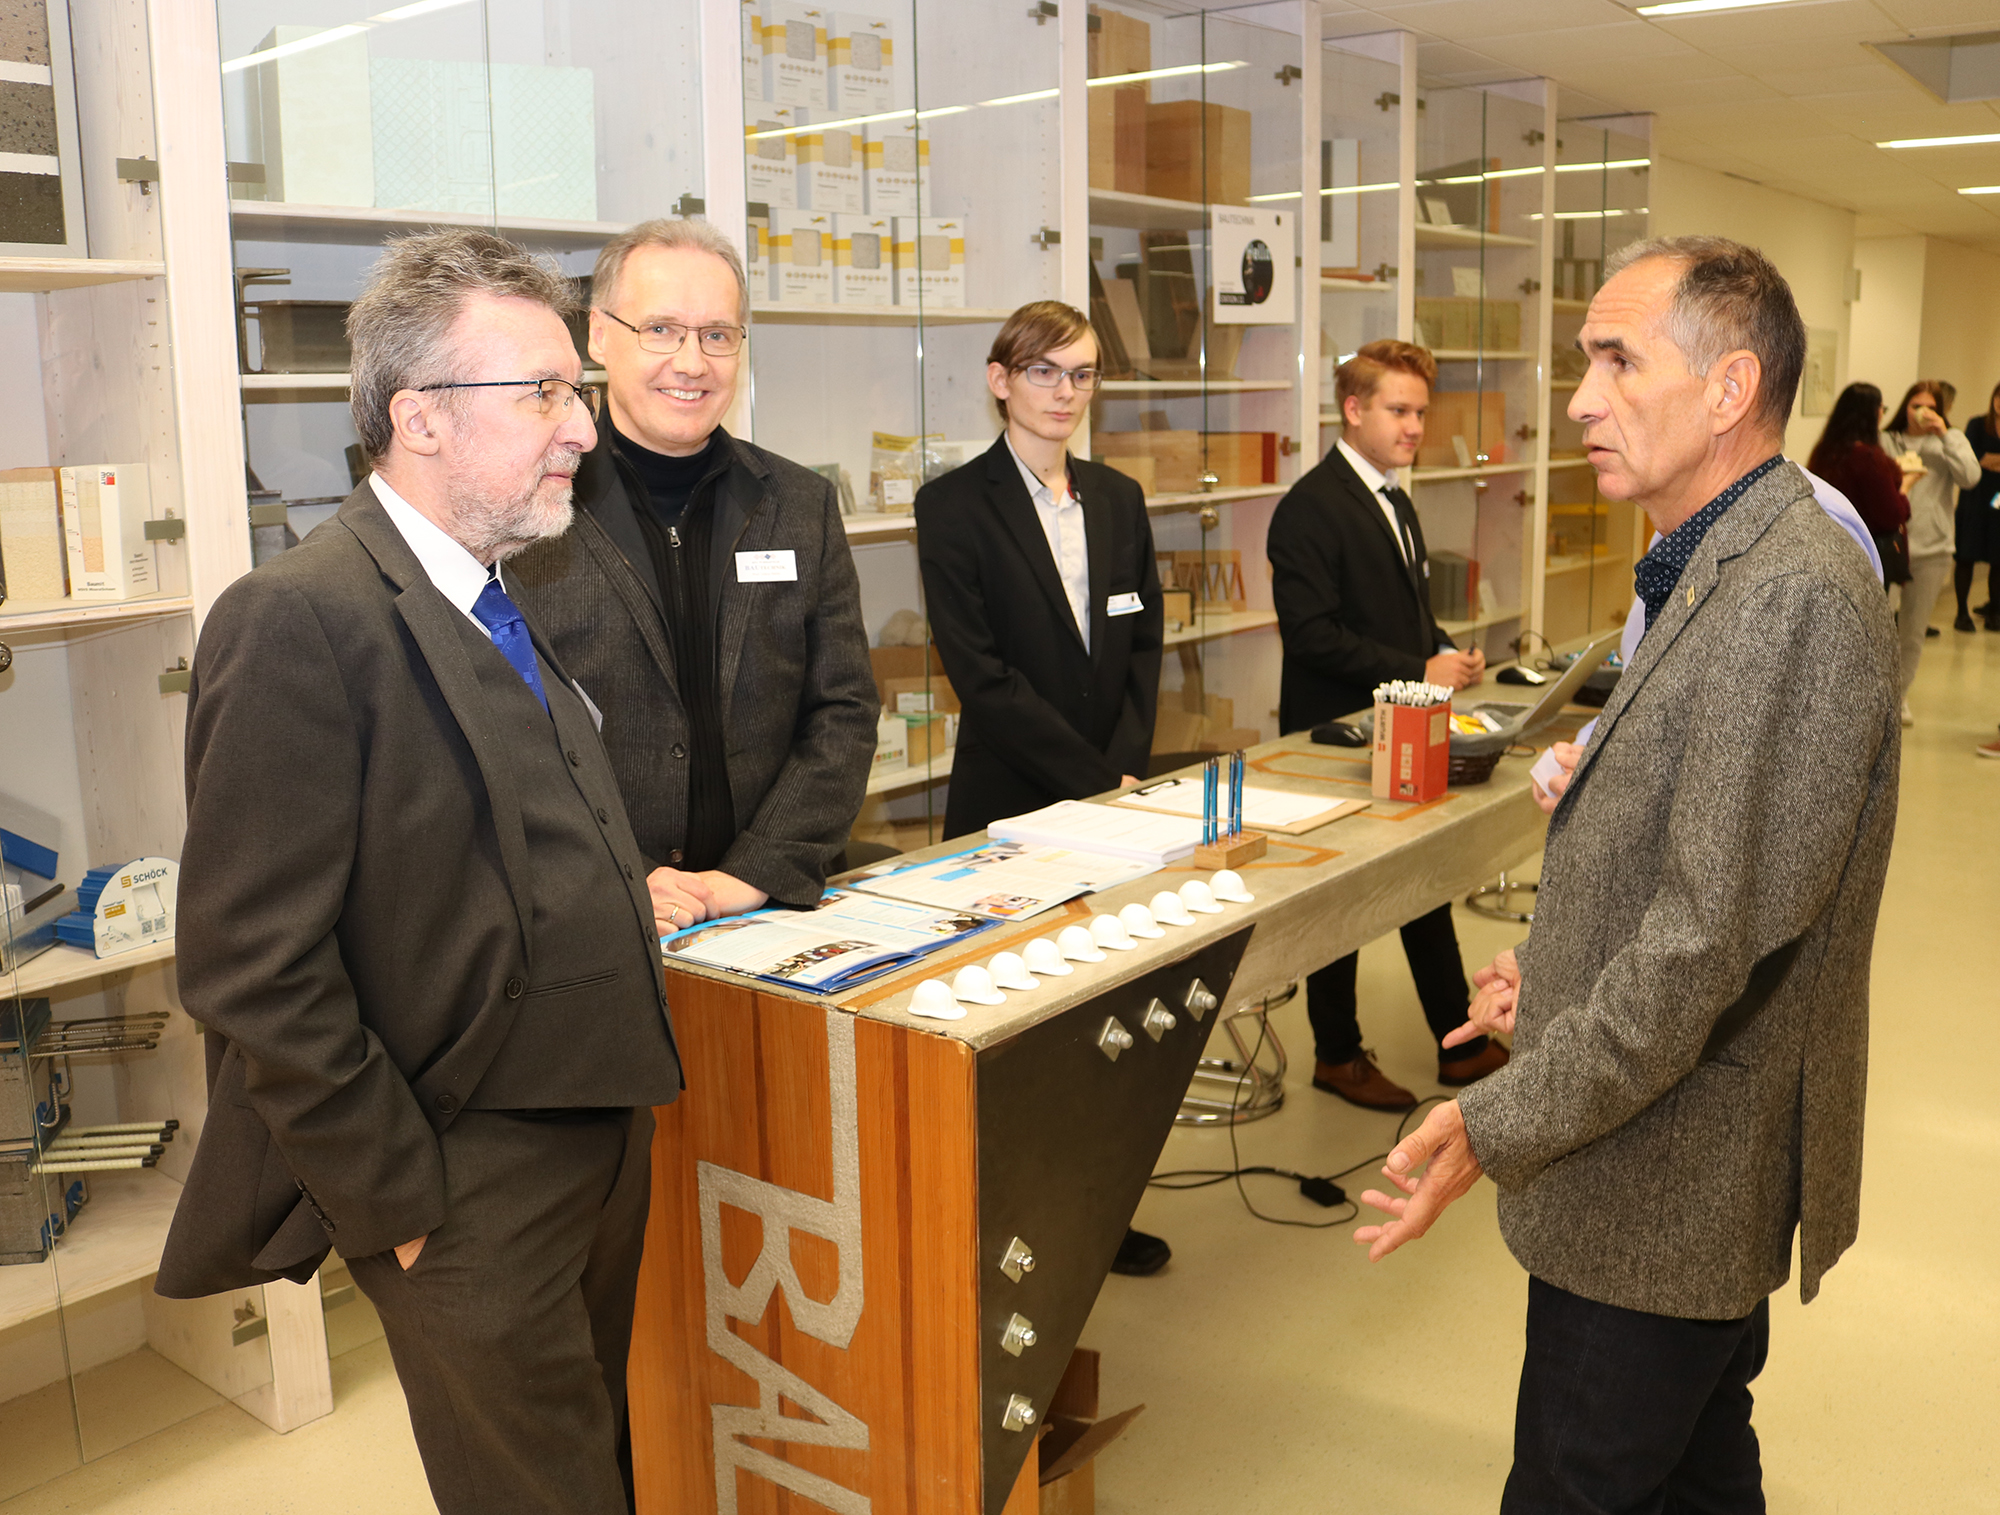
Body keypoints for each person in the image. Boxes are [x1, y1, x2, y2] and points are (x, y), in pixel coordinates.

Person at [1354, 237, 1900, 1511]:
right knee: (1698, 1478)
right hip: (1659, 1156)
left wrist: (1493, 1119)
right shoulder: (1712, 563)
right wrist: (1548, 972)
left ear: (1727, 389)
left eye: (1614, 362)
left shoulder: (1785, 596)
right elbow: (1695, 865)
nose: (1578, 402)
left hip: (1665, 1179)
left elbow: (1705, 942)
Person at [155, 230, 684, 1515]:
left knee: (596, 1465)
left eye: (575, 392)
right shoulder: (298, 619)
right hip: (458, 1177)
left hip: (596, 1132)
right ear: (422, 418)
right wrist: (399, 1204)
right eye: (544, 394)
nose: (583, 430)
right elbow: (249, 965)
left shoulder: (497, 590)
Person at [512, 218, 877, 932]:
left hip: (770, 909)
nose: (692, 362)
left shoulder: (800, 505)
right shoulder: (528, 509)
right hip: (597, 913)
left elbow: (844, 710)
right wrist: (622, 872)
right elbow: (508, 732)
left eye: (716, 335)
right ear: (599, 336)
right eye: (660, 330)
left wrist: (759, 868)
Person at [915, 300, 1170, 1276]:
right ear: (1000, 379)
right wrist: (1095, 779)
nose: (1065, 392)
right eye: (1044, 371)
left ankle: (1099, 1213)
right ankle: (1007, 1227)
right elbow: (981, 678)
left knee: (1105, 1013)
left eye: (1082, 373)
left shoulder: (1117, 498)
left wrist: (1125, 767)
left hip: (1114, 800)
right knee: (1014, 1024)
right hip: (1009, 804)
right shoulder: (953, 506)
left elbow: (1142, 641)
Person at [1266, 338, 1503, 1111]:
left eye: (1421, 412)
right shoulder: (1309, 507)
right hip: (1336, 735)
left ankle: (1456, 1041)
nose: (1414, 427)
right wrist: (1416, 666)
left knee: (1420, 880)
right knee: (1340, 902)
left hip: (1403, 724)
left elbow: (1405, 610)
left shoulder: (1395, 496)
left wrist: (1443, 651)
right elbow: (1311, 635)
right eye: (1399, 411)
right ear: (1353, 409)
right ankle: (1336, 1052)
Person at [1884, 379, 1979, 721]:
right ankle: (1876, 698)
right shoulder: (1886, 440)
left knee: (1912, 631)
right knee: (1880, 626)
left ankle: (1900, 698)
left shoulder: (1950, 441)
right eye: (1916, 406)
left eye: (1931, 408)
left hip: (1933, 550)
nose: (1922, 413)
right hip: (1891, 546)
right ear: (1905, 407)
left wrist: (1945, 435)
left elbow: (1971, 477)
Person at [1807, 381, 1908, 589]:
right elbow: (1891, 515)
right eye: (1882, 409)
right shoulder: (1868, 457)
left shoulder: (1825, 451)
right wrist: (1906, 487)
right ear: (1873, 413)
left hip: (1829, 548)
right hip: (1865, 554)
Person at [1952, 381, 2000, 631]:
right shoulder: (1977, 424)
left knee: (1998, 559)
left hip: (1998, 504)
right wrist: (1987, 460)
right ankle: (1961, 613)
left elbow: (1987, 459)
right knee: (1966, 556)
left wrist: (1991, 460)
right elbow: (1973, 459)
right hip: (1975, 500)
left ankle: (1995, 611)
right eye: (1998, 397)